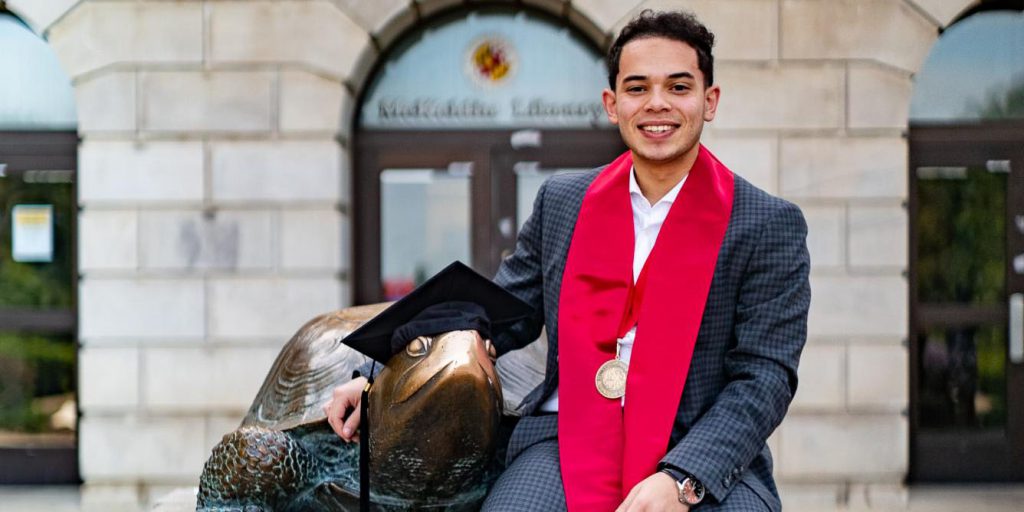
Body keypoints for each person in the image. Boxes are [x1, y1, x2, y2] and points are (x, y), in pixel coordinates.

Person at [327, 9, 810, 512]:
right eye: (638, 88)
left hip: (697, 443)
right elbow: (493, 310)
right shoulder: (566, 201)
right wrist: (376, 376)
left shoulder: (766, 224)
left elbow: (764, 377)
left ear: (709, 101)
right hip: (568, 435)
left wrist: (682, 480)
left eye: (679, 87)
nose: (657, 104)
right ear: (612, 103)